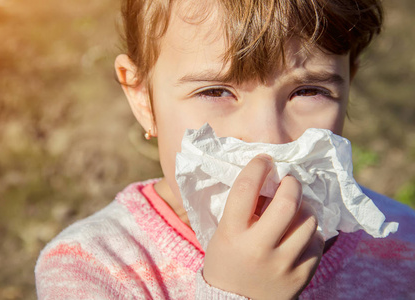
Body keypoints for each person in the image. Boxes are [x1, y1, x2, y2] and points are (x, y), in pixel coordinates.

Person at [35, 0, 415, 299]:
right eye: (215, 91)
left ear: (349, 82)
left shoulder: (403, 244)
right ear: (142, 99)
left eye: (308, 90)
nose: (267, 138)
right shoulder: (91, 268)